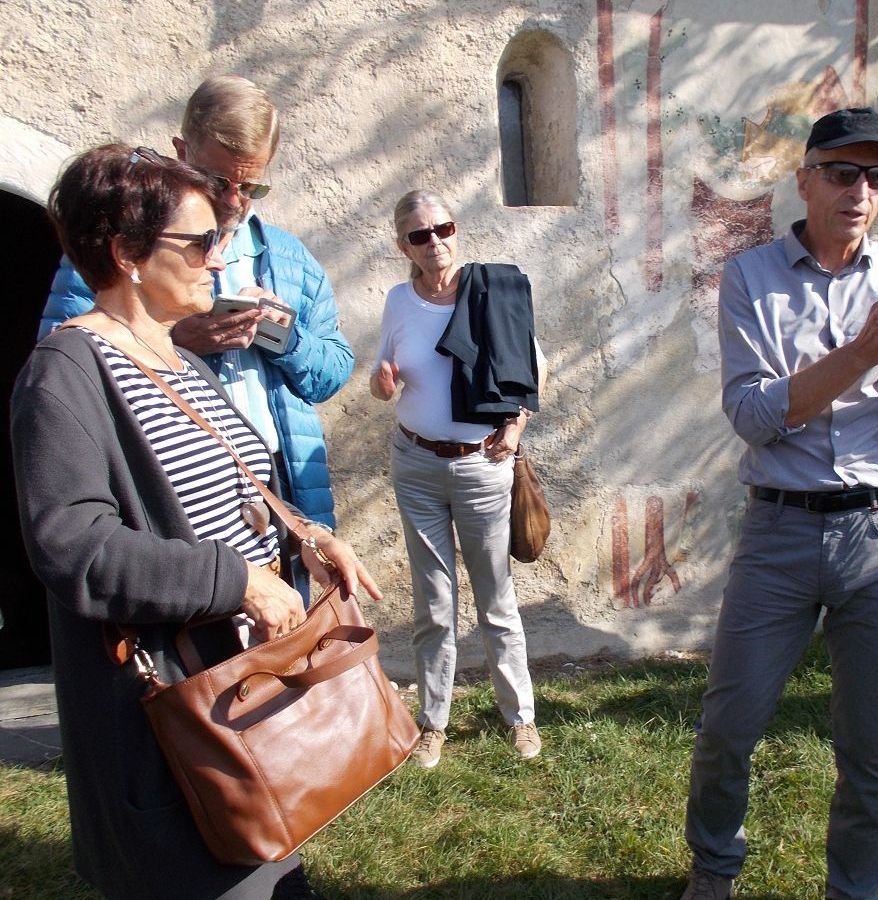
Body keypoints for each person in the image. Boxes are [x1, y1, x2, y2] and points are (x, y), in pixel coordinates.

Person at [13, 143, 381, 899]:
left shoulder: (180, 361)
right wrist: (239, 581)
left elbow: (227, 491)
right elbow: (75, 549)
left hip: (241, 711)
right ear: (126, 253)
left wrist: (302, 539)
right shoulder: (65, 373)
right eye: (200, 241)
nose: (220, 257)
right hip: (169, 733)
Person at [680, 107, 878, 900]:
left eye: (877, 177)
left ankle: (855, 890)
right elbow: (756, 417)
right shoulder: (752, 276)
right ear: (804, 180)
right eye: (843, 172)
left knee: (872, 743)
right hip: (782, 530)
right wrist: (866, 350)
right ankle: (715, 865)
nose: (860, 190)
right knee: (730, 723)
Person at [39, 75, 351, 557]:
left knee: (293, 626)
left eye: (252, 186)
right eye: (219, 181)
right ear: (182, 151)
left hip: (277, 478)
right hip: (171, 491)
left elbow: (331, 374)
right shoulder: (128, 246)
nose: (232, 200)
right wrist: (177, 340)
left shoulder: (290, 258)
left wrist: (283, 337)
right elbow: (70, 379)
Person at [370, 189, 544, 769]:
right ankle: (433, 723)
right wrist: (383, 382)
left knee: (495, 599)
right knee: (434, 604)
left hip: (480, 465)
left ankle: (519, 718)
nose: (434, 243)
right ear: (404, 245)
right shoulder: (399, 299)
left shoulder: (492, 289)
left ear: (455, 229)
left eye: (441, 229)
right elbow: (382, 373)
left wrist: (514, 432)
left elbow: (530, 367)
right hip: (415, 463)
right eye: (419, 236)